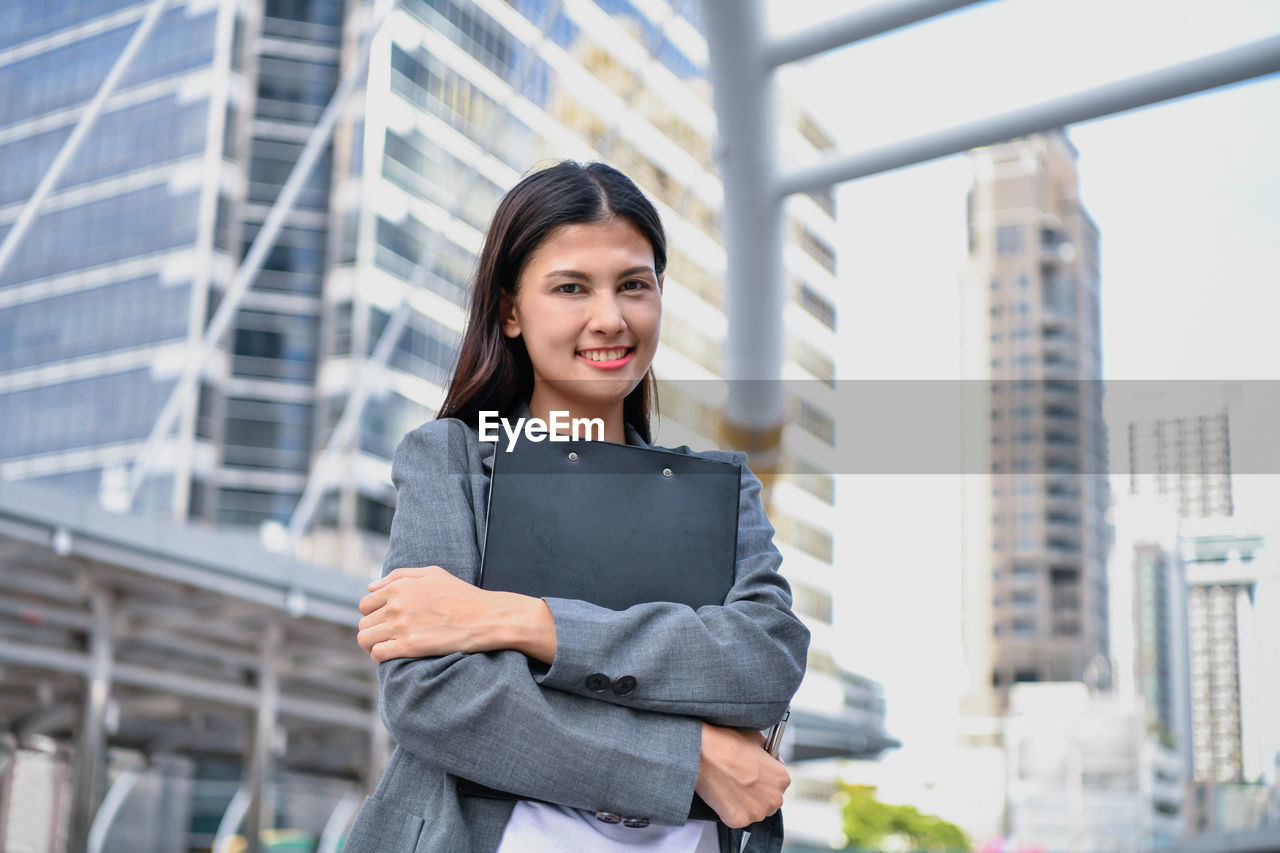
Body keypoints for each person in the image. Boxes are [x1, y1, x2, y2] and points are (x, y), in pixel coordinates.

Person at [346, 161, 810, 853]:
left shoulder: (721, 488)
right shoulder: (452, 462)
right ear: (509, 309)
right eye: (570, 287)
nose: (610, 318)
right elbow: (436, 696)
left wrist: (518, 620)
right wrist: (690, 758)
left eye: (634, 285)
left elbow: (762, 664)